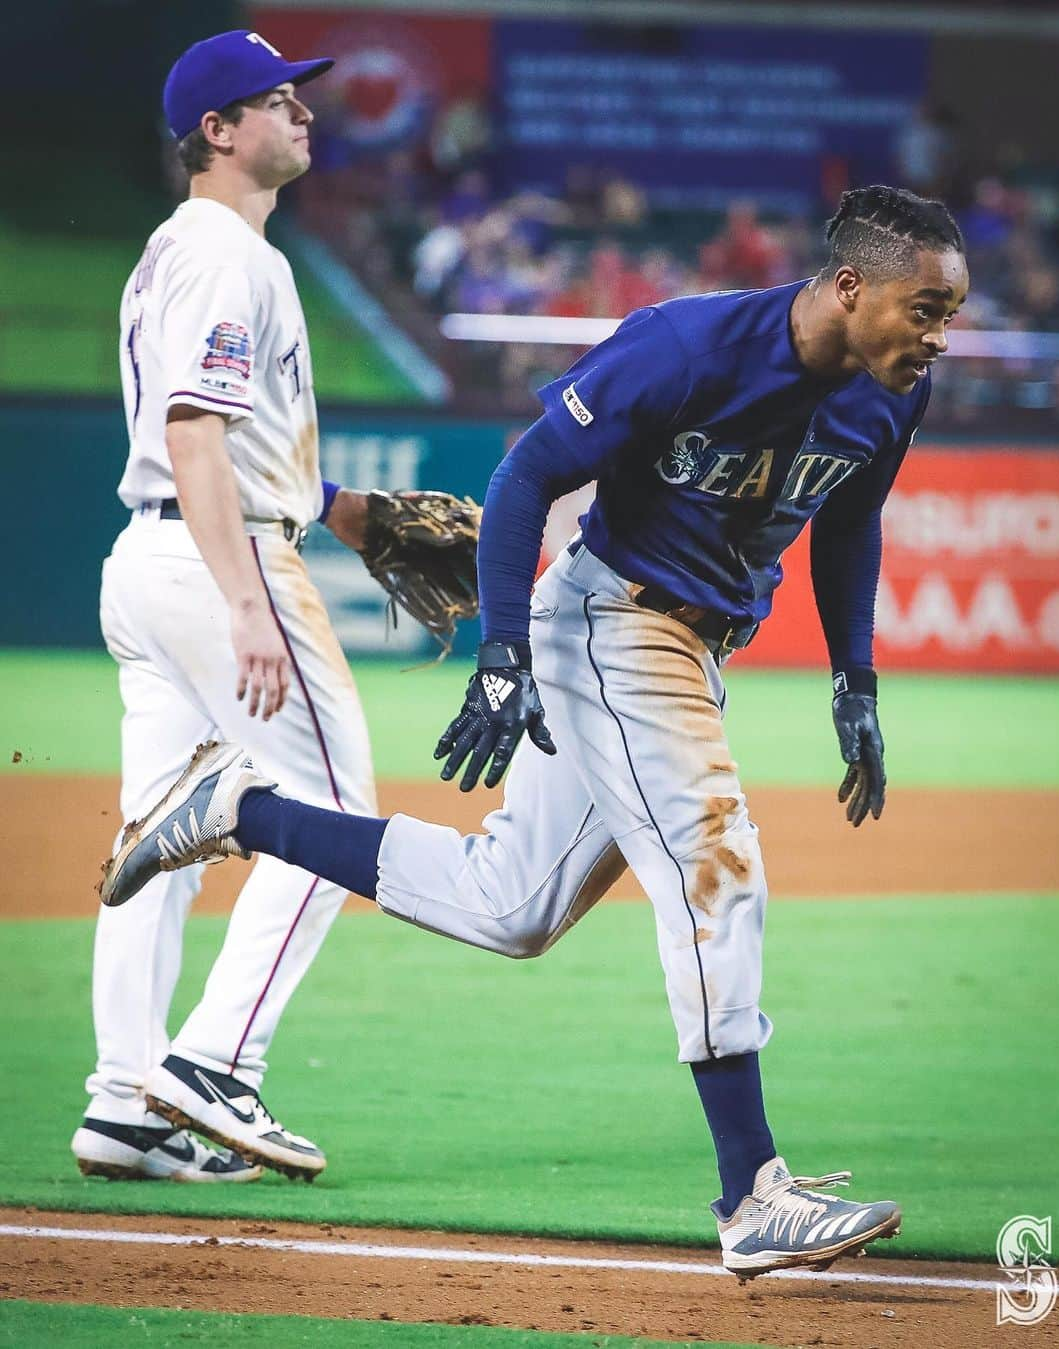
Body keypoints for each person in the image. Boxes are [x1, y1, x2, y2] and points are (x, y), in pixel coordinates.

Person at [98, 186, 969, 1278]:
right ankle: (752, 1189)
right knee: (717, 862)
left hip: (693, 644)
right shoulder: (689, 345)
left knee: (509, 904)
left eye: (949, 312)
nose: (941, 333)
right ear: (852, 285)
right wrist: (502, 649)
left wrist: (857, 678)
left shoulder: (891, 396)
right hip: (616, 616)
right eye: (926, 307)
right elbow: (526, 476)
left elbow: (850, 525)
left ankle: (238, 808)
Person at [72, 30, 381, 1185]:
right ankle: (214, 1064)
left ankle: (124, 1104)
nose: (303, 107)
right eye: (277, 96)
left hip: (151, 566)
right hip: (216, 565)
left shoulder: (180, 251)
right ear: (217, 128)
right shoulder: (225, 254)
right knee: (338, 806)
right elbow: (196, 435)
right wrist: (248, 604)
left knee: (158, 842)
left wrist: (335, 507)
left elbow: (218, 438)